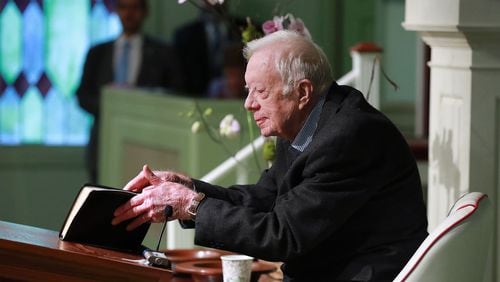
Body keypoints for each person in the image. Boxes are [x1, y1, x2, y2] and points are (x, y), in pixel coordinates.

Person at [112, 30, 428, 281]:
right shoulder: (307, 121)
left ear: (302, 92)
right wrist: (190, 189)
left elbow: (282, 234)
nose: (248, 104)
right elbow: (265, 198)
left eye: (259, 92)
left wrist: (190, 205)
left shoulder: (349, 137)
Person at [76, 0, 181, 183]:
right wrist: (112, 108)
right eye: (124, 7)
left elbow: (174, 93)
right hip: (103, 140)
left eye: (135, 8)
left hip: (147, 140)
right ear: (117, 11)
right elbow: (83, 95)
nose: (129, 14)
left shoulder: (163, 52)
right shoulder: (98, 52)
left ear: (145, 12)